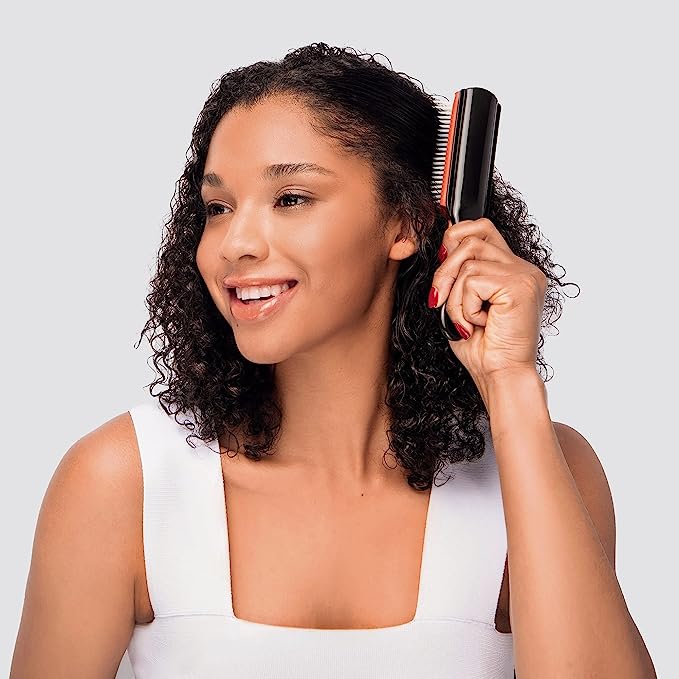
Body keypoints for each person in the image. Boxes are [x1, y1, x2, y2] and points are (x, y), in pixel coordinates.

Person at [10, 42, 656, 678]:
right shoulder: (125, 482)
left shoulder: (545, 467)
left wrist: (510, 382)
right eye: (218, 208)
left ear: (406, 223)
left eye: (291, 198)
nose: (234, 244)